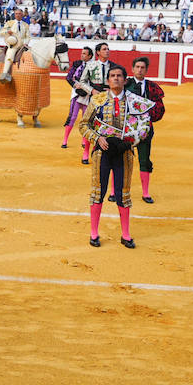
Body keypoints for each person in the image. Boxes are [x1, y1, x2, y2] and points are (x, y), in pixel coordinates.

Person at [80, 64, 153, 248]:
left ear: (125, 79)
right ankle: (94, 233)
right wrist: (97, 138)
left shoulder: (135, 101)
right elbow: (83, 125)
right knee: (98, 192)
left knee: (123, 194)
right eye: (112, 76)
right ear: (107, 80)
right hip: (101, 153)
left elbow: (145, 126)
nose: (115, 79)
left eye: (119, 76)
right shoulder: (97, 100)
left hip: (124, 153)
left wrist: (131, 141)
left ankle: (126, 234)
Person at [124, 57, 167, 204]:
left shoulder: (152, 87)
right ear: (132, 68)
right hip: (126, 129)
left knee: (144, 159)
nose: (140, 70)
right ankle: (115, 191)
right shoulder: (125, 83)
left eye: (143, 67)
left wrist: (148, 117)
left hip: (145, 130)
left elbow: (160, 108)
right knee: (121, 160)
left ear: (146, 70)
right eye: (137, 67)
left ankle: (146, 193)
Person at [61, 46, 94, 160]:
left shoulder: (94, 66)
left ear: (90, 56)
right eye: (82, 53)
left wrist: (87, 89)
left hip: (88, 95)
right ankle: (65, 139)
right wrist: (77, 86)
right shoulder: (77, 64)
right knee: (72, 117)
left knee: (86, 120)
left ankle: (84, 140)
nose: (82, 55)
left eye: (85, 54)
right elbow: (69, 77)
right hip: (76, 94)